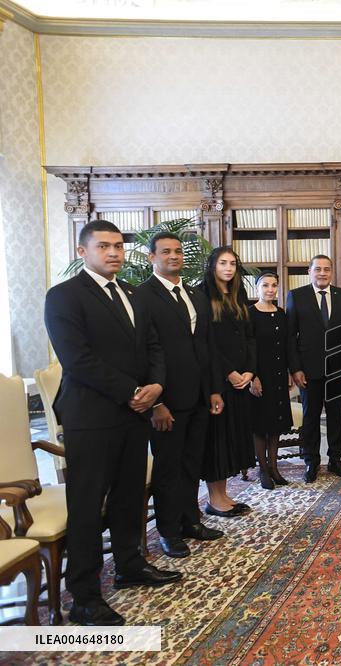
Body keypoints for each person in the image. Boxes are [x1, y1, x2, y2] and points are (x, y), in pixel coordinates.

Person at [43, 220, 180, 626]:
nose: (114, 253)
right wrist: (131, 391)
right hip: (91, 415)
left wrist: (156, 385)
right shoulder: (64, 297)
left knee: (127, 494)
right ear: (82, 251)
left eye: (119, 246)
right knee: (87, 505)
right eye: (103, 246)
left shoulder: (133, 294)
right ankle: (84, 596)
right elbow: (78, 359)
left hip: (133, 414)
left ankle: (129, 565)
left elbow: (154, 345)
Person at [136, 232, 225, 559]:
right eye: (165, 252)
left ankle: (191, 521)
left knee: (192, 463)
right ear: (151, 257)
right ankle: (169, 532)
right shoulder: (141, 296)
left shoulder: (195, 295)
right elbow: (143, 352)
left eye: (177, 251)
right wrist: (156, 403)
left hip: (200, 395)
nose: (173, 256)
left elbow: (207, 345)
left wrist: (214, 388)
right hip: (166, 400)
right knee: (168, 468)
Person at [286, 254, 341, 482]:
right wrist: (295, 368)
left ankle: (335, 460)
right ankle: (311, 461)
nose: (322, 273)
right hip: (309, 369)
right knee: (311, 416)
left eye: (327, 269)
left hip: (338, 368)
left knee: (337, 416)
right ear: (310, 272)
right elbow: (290, 336)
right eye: (318, 269)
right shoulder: (297, 296)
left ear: (332, 272)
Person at [200, 246, 257, 517]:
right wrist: (229, 373)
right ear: (212, 266)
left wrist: (249, 371)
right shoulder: (201, 294)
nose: (228, 268)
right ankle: (214, 498)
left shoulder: (239, 295)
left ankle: (224, 494)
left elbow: (249, 336)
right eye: (223, 263)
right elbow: (206, 343)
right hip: (217, 380)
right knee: (217, 440)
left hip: (241, 379)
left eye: (233, 263)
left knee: (232, 438)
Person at [249, 273, 293, 489]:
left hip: (278, 374)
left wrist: (288, 372)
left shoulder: (282, 314)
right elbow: (247, 349)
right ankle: (263, 469)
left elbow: (287, 346)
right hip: (259, 376)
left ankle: (274, 467)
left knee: (275, 423)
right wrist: (252, 376)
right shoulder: (250, 314)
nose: (270, 289)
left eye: (274, 285)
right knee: (260, 424)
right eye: (265, 285)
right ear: (257, 288)